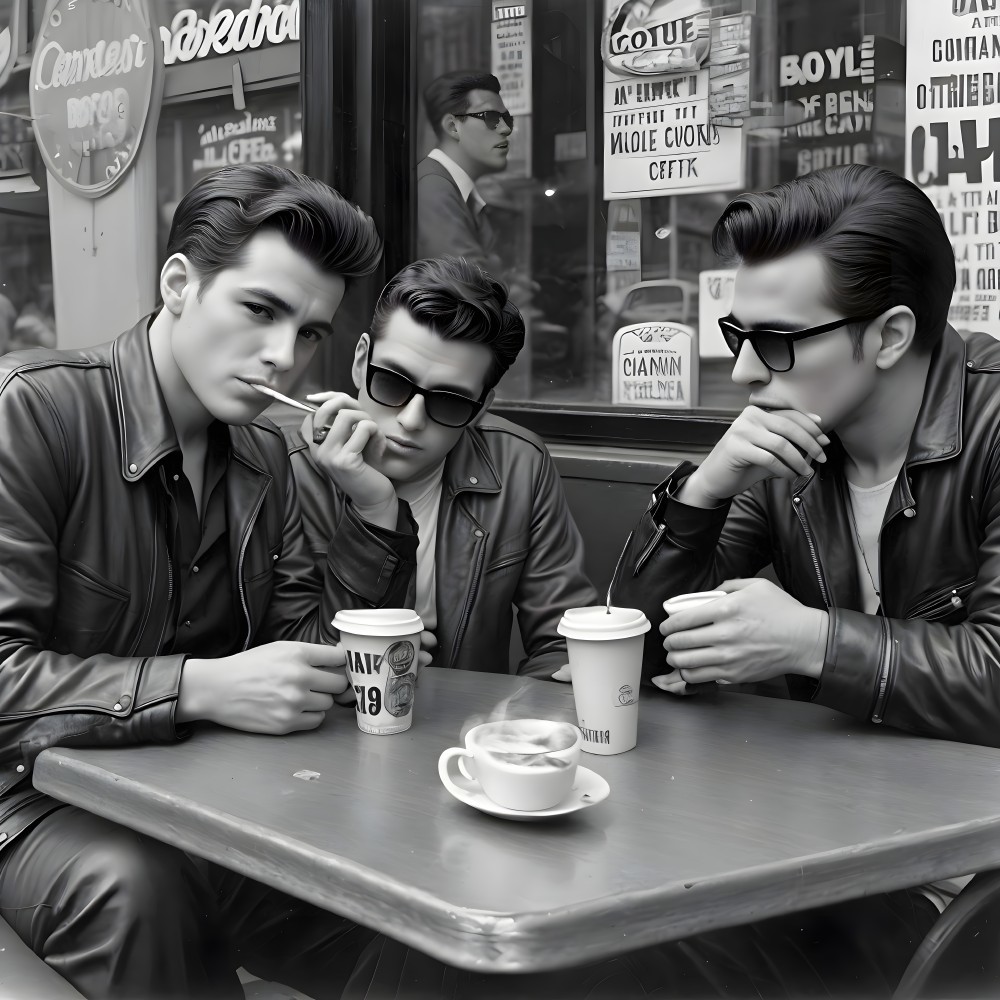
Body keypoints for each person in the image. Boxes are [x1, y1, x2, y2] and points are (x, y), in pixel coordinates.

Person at [0, 163, 420, 1000]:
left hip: (198, 791)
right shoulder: (33, 410)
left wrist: (373, 508)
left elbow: (311, 659)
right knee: (134, 887)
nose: (283, 355)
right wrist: (196, 687)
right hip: (28, 792)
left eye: (308, 333)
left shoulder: (267, 454)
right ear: (180, 285)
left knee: (398, 906)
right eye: (260, 310)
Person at [606, 162, 996, 993]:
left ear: (889, 335)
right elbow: (633, 651)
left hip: (970, 882)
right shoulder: (792, 451)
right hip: (822, 840)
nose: (745, 374)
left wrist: (813, 640)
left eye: (775, 342)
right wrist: (703, 491)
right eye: (737, 337)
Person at [286, 255, 597, 678]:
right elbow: (287, 660)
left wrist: (504, 727)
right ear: (361, 362)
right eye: (392, 382)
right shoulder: (287, 471)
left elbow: (562, 641)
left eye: (448, 402)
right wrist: (373, 511)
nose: (411, 420)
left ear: (481, 407)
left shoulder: (518, 466)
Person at [417, 70, 511, 274]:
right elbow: (470, 286)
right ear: (452, 127)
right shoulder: (434, 188)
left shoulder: (455, 189)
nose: (505, 129)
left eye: (506, 118)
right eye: (491, 117)